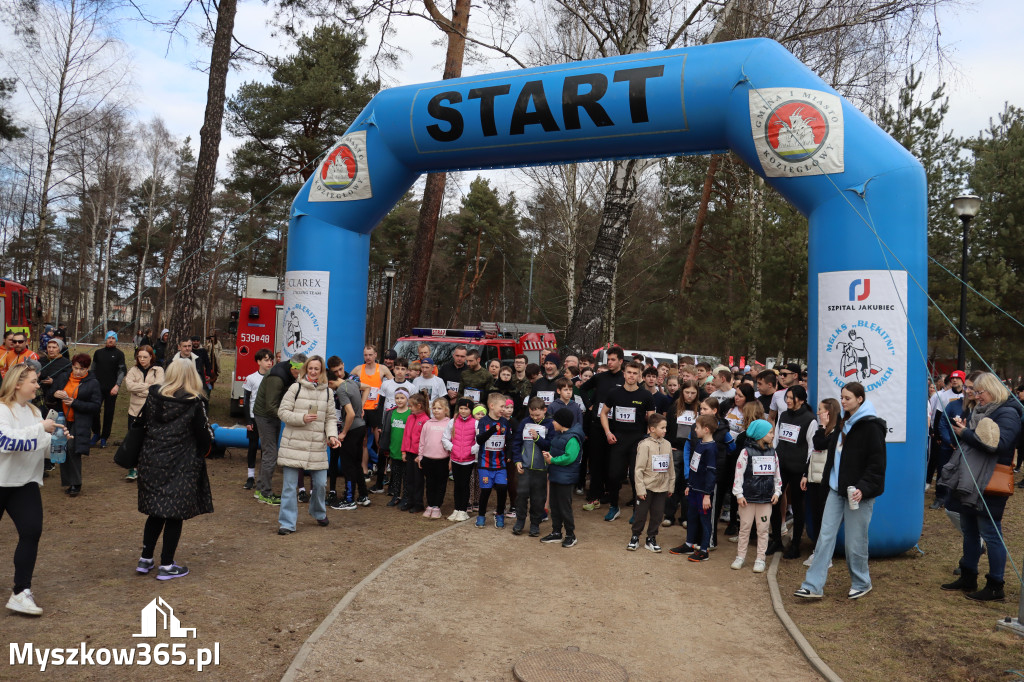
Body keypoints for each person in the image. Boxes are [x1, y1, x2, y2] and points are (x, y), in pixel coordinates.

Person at [795, 382, 886, 600]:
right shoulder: (843, 423)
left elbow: (877, 464)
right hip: (835, 491)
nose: (843, 401)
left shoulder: (871, 427)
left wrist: (863, 488)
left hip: (858, 494)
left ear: (860, 399)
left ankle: (862, 582)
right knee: (824, 537)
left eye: (848, 398)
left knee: (855, 542)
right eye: (842, 397)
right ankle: (813, 585)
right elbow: (829, 453)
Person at [939, 372, 1022, 601]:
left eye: (979, 392)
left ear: (993, 390)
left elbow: (999, 445)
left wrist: (965, 432)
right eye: (973, 392)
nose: (975, 396)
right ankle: (968, 575)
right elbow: (979, 438)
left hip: (990, 480)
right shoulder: (980, 410)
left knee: (990, 532)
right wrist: (966, 431)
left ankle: (996, 585)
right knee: (969, 530)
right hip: (970, 478)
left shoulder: (1008, 413)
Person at [135, 359, 214, 580]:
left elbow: (143, 423)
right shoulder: (194, 402)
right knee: (174, 514)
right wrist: (206, 446)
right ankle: (167, 564)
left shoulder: (154, 396)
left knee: (156, 511)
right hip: (181, 462)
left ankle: (146, 557)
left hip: (152, 459)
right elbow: (204, 435)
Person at [0, 364, 67, 615]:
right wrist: (42, 429)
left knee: (31, 532)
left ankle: (21, 592)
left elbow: (42, 446)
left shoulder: (35, 411)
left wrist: (58, 442)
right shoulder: (2, 410)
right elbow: (5, 442)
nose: (38, 385)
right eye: (33, 381)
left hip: (25, 483)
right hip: (0, 481)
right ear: (17, 383)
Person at [276, 355, 338, 534]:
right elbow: (283, 412)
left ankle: (318, 512)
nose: (313, 372)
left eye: (316, 369)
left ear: (322, 371)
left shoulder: (328, 392)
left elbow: (331, 418)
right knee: (289, 486)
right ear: (305, 369)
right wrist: (301, 418)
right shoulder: (295, 388)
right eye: (310, 368)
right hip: (293, 445)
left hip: (317, 445)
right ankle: (287, 523)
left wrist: (332, 436)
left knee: (319, 484)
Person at [599, 360, 655, 522]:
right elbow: (603, 413)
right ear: (624, 374)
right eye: (629, 372)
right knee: (614, 475)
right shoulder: (614, 393)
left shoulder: (646, 395)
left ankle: (638, 510)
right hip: (618, 439)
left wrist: (648, 438)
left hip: (637, 441)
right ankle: (614, 507)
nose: (631, 376)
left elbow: (652, 419)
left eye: (635, 373)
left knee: (636, 477)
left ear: (640, 376)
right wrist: (608, 432)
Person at [252, 353, 307, 505]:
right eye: (299, 371)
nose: (301, 375)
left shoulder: (289, 372)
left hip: (273, 416)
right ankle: (265, 493)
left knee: (269, 452)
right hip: (265, 416)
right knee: (271, 453)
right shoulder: (277, 377)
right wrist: (289, 417)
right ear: (293, 367)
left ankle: (260, 489)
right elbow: (270, 406)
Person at [731, 419, 781, 573]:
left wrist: (777, 492)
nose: (773, 435)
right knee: (744, 528)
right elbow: (738, 474)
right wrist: (739, 494)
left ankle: (760, 559)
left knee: (763, 529)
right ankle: (740, 557)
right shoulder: (746, 452)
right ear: (760, 434)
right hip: (747, 498)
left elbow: (777, 475)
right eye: (770, 432)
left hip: (766, 499)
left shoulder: (773, 452)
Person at [773, 385, 818, 559]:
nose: (788, 401)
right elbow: (777, 438)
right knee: (775, 501)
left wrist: (806, 473)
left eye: (791, 398)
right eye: (787, 397)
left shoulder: (810, 420)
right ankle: (776, 539)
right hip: (781, 467)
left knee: (798, 506)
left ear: (801, 399)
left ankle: (795, 544)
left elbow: (811, 448)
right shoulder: (783, 415)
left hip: (798, 470)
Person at [580, 346, 625, 510]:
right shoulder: (600, 377)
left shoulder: (625, 378)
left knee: (612, 463)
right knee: (596, 461)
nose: (610, 362)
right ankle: (594, 495)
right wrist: (590, 406)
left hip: (616, 426)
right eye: (608, 359)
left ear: (620, 361)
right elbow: (583, 389)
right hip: (597, 425)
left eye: (613, 360)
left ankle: (611, 494)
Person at [51, 354, 101, 497]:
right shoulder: (63, 377)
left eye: (82, 369)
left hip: (80, 422)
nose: (78, 372)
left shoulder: (93, 383)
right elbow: (50, 393)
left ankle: (76, 483)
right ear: (72, 366)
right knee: (62, 449)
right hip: (61, 420)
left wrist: (75, 403)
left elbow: (96, 406)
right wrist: (55, 394)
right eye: (75, 368)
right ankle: (68, 481)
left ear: (88, 368)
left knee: (73, 449)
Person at [802, 397, 840, 567]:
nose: (817, 413)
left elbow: (819, 444)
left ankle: (825, 556)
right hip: (814, 479)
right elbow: (813, 452)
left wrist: (823, 427)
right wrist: (805, 474)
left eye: (821, 410)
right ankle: (818, 552)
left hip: (825, 482)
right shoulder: (823, 430)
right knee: (816, 517)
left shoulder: (836, 432)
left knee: (825, 519)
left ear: (829, 413)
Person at [629, 413, 675, 553]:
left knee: (657, 515)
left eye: (666, 427)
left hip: (662, 488)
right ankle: (635, 537)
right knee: (640, 514)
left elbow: (671, 468)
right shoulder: (645, 445)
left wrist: (670, 485)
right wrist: (640, 489)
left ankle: (651, 538)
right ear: (652, 429)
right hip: (647, 487)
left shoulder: (667, 444)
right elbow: (638, 470)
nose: (665, 430)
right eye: (662, 428)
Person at [540, 407, 584, 548]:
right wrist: (549, 457)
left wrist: (552, 460)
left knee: (564, 507)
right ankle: (556, 532)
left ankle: (571, 535)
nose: (552, 422)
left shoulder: (572, 438)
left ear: (562, 422)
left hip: (565, 478)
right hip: (555, 476)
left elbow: (570, 457)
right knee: (555, 505)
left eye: (555, 420)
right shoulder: (560, 435)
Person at [330, 363, 371, 511]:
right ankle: (363, 495)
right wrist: (361, 405)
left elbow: (351, 414)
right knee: (356, 463)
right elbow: (367, 387)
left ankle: (349, 500)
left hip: (352, 430)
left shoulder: (341, 389)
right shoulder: (351, 382)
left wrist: (344, 432)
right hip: (361, 427)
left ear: (330, 382)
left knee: (348, 465)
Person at [511, 397, 553, 536]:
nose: (534, 418)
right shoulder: (525, 422)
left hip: (541, 468)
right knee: (521, 495)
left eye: (538, 415)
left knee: (538, 498)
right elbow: (516, 443)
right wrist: (517, 461)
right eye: (532, 415)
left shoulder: (549, 424)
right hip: (525, 467)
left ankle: (535, 524)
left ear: (544, 411)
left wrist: (537, 438)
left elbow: (550, 445)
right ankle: (520, 521)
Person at [123, 345, 165, 481]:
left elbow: (159, 388)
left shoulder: (158, 370)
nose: (142, 359)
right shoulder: (133, 370)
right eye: (139, 357)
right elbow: (129, 386)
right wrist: (148, 388)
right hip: (135, 411)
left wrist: (139, 388)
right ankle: (132, 468)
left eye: (145, 357)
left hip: (152, 409)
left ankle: (149, 468)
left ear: (151, 357)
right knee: (133, 440)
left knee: (151, 440)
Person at [684, 414, 719, 562]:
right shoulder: (699, 443)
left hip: (703, 492)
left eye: (697, 427)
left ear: (706, 429)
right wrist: (689, 485)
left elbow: (711, 473)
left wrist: (707, 494)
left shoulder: (711, 448)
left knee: (704, 520)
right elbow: (694, 466)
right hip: (693, 488)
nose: (694, 430)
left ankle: (704, 550)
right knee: (691, 516)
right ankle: (689, 543)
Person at [474, 392, 510, 528]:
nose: (503, 409)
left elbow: (509, 441)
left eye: (505, 407)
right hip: (485, 464)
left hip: (500, 464)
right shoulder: (483, 422)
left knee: (502, 489)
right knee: (486, 491)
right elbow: (479, 439)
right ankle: (481, 515)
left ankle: (500, 514)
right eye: (501, 406)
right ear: (492, 406)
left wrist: (510, 455)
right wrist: (492, 431)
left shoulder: (505, 422)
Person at [241, 349, 274, 490]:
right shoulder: (251, 378)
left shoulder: (274, 377)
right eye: (266, 359)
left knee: (266, 449)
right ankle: (250, 476)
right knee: (253, 446)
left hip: (269, 418)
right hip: (254, 418)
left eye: (270, 359)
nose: (269, 362)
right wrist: (248, 421)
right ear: (259, 361)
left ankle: (263, 476)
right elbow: (246, 401)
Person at [89, 331, 127, 448]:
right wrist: (92, 383)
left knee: (109, 413)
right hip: (97, 388)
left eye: (113, 338)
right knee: (94, 411)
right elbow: (93, 369)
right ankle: (96, 433)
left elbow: (122, 371)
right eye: (109, 338)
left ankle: (105, 437)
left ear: (116, 340)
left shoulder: (119, 354)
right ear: (105, 340)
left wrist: (117, 385)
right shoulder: (98, 353)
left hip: (112, 389)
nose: (110, 340)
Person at [443, 397, 478, 521]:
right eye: (461, 408)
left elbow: (479, 440)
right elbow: (445, 438)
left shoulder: (475, 423)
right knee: (457, 485)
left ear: (471, 410)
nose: (463, 411)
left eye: (466, 409)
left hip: (468, 460)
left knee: (465, 484)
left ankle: (463, 510)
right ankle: (456, 509)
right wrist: (452, 448)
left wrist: (472, 450)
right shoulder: (453, 422)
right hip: (456, 458)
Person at [416, 398, 451, 519]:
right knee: (430, 483)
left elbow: (452, 442)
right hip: (428, 459)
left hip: (443, 459)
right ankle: (430, 504)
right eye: (434, 408)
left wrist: (451, 459)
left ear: (446, 410)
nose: (436, 410)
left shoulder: (449, 423)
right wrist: (420, 457)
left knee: (440, 483)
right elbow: (422, 442)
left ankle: (437, 506)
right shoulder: (428, 424)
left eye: (439, 408)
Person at [381, 388, 412, 507]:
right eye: (397, 398)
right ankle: (396, 495)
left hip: (405, 450)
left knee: (406, 475)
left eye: (402, 398)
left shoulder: (410, 413)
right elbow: (386, 431)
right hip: (394, 448)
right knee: (396, 474)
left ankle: (406, 497)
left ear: (407, 398)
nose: (399, 400)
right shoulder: (391, 412)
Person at [399, 393, 430, 513]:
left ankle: (418, 503)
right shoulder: (410, 418)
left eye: (411, 406)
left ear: (419, 405)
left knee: (418, 480)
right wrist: (403, 451)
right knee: (409, 479)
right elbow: (406, 436)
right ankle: (410, 500)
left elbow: (425, 440)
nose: (410, 408)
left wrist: (421, 455)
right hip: (409, 453)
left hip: (418, 455)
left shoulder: (425, 420)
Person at [438, 345, 468, 411]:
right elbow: (438, 384)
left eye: (462, 356)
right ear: (453, 355)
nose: (459, 358)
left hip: (462, 406)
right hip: (445, 405)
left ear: (466, 357)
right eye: (457, 356)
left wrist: (458, 397)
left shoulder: (469, 371)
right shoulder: (445, 368)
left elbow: (471, 389)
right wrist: (447, 391)